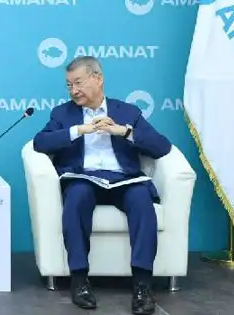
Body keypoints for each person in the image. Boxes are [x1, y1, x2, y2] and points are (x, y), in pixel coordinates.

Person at [32, 56, 171, 315]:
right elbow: (40, 143)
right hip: (83, 177)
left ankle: (142, 286)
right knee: (76, 197)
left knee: (142, 201)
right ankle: (79, 281)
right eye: (69, 85)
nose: (74, 90)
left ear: (98, 78)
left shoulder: (127, 112)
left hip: (123, 179)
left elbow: (162, 147)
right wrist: (78, 130)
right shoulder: (63, 114)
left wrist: (124, 132)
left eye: (79, 83)